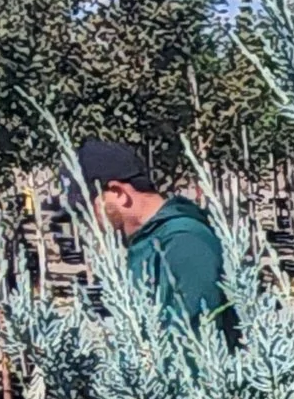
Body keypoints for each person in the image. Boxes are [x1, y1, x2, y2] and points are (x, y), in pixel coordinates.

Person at [76, 139, 232, 334]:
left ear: (119, 193)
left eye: (88, 207)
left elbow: (194, 339)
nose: (87, 219)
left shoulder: (183, 241)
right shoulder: (149, 241)